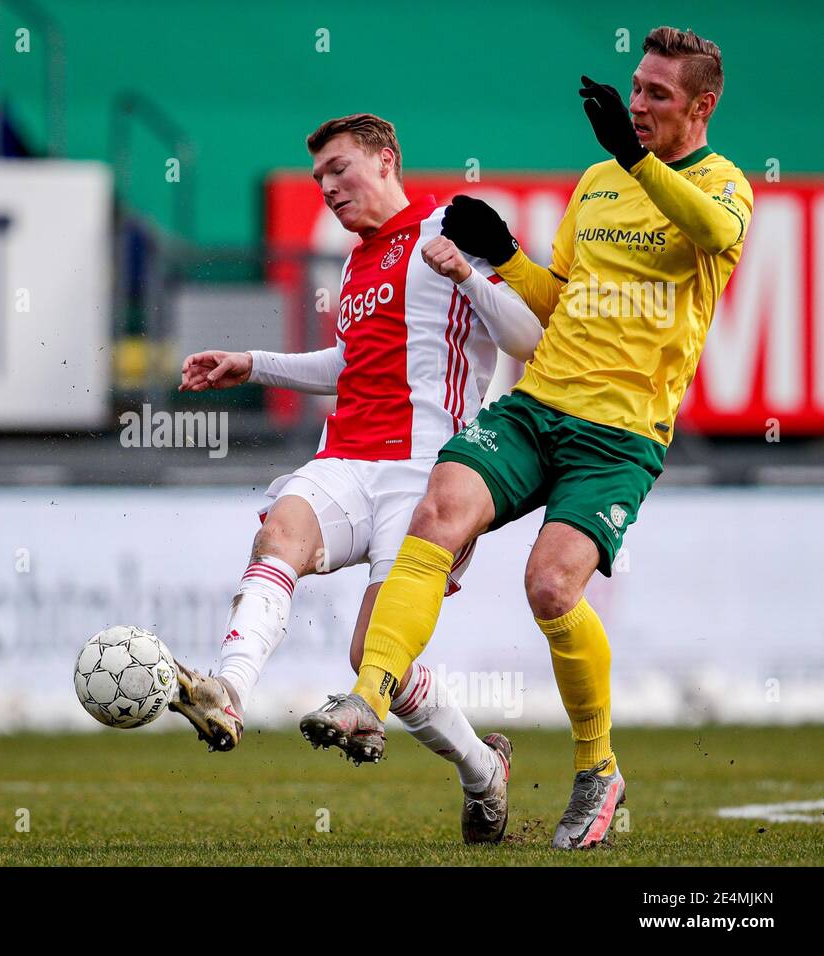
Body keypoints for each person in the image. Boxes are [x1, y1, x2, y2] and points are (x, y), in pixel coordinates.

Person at [307, 28, 752, 850]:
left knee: (551, 588)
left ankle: (598, 769)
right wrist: (504, 255)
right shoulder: (596, 183)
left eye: (658, 93)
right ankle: (368, 698)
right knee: (438, 510)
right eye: (636, 88)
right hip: (538, 404)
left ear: (703, 105)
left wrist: (640, 160)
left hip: (619, 436)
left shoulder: (724, 187)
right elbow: (556, 303)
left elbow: (715, 236)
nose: (639, 104)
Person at [168, 113, 544, 843]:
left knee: (375, 660)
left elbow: (526, 336)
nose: (328, 188)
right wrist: (253, 362)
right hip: (346, 459)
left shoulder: (449, 228)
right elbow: (349, 364)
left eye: (339, 169)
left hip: (430, 477)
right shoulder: (356, 261)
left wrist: (468, 272)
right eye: (317, 179)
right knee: (281, 532)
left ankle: (481, 771)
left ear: (384, 160)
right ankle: (229, 692)